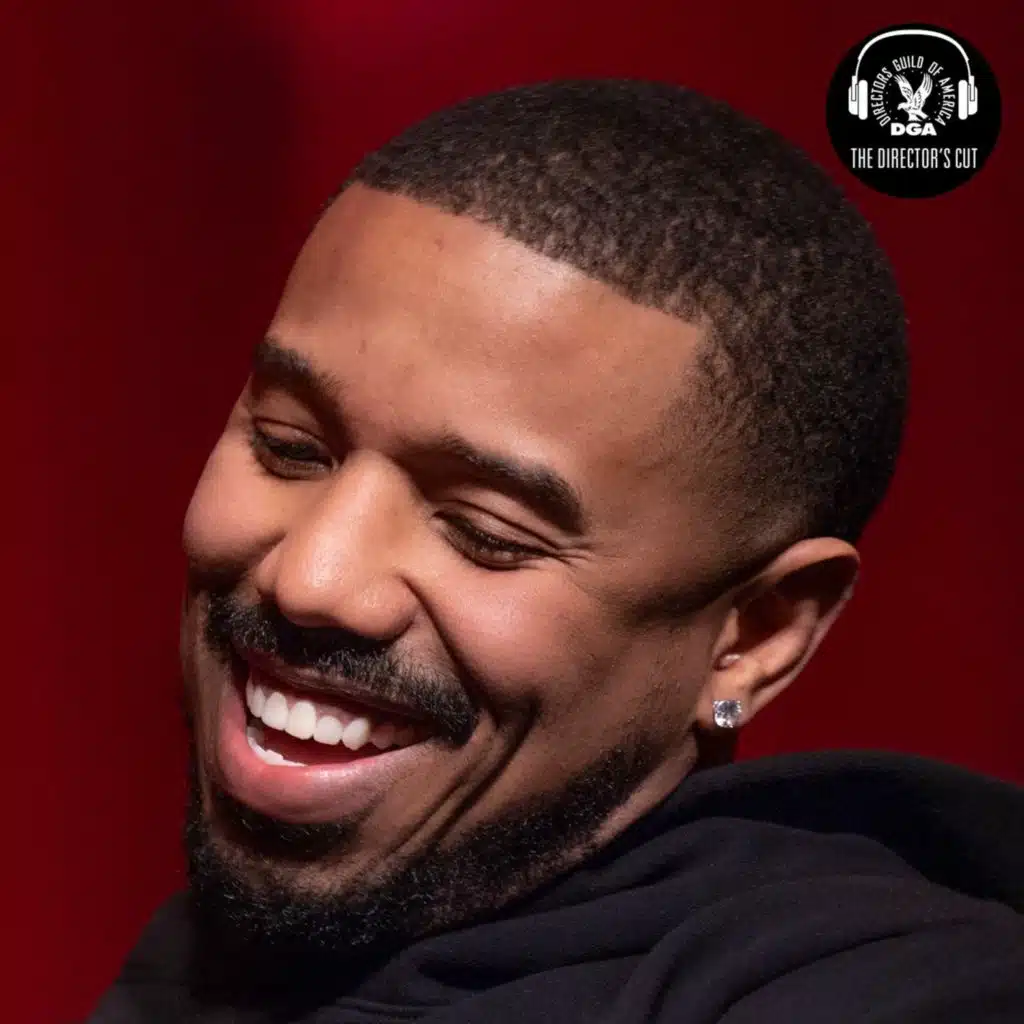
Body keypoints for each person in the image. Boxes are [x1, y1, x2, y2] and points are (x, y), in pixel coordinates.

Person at [89, 79, 1024, 1023]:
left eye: (486, 532)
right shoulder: (219, 967)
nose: (312, 579)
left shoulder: (891, 995)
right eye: (289, 447)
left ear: (753, 634)